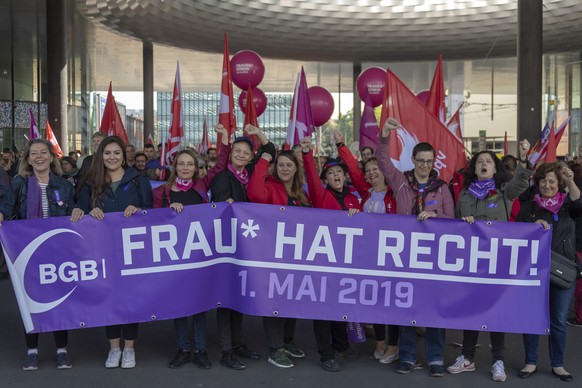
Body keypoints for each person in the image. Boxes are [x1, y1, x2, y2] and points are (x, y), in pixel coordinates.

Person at [447, 141, 532, 382]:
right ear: (474, 169)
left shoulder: (504, 190)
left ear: (495, 169)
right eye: (480, 162)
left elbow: (521, 182)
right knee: (471, 309)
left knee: (496, 311)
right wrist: (465, 223)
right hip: (472, 260)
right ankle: (467, 358)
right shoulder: (463, 194)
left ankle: (498, 361)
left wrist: (523, 159)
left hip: (498, 260)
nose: (484, 164)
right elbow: (454, 225)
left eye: (488, 162)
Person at [376, 118, 454, 378]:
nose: (424, 165)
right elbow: (382, 161)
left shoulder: (441, 189)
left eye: (429, 161)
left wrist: (434, 214)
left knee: (434, 310)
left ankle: (434, 359)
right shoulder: (400, 180)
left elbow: (452, 222)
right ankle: (407, 357)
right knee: (406, 308)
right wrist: (385, 134)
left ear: (434, 163)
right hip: (403, 255)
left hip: (433, 258)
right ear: (413, 159)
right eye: (420, 160)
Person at [153, 125, 230, 370]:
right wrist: (168, 213)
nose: (185, 168)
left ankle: (200, 350)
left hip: (199, 255)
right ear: (174, 168)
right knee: (179, 303)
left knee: (198, 305)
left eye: (190, 164)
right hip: (174, 257)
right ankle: (182, 349)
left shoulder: (201, 187)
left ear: (196, 168)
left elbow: (220, 165)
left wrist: (225, 140)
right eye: (181, 164)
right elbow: (152, 222)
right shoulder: (161, 193)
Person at [73, 136, 153, 369]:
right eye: (107, 153)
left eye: (116, 153)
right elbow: (81, 208)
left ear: (124, 155)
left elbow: (151, 212)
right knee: (109, 299)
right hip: (102, 252)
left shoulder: (138, 180)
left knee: (129, 300)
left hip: (131, 252)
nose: (112, 157)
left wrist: (139, 210)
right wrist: (85, 212)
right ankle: (114, 348)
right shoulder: (91, 182)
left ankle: (129, 349)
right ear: (100, 155)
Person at [0, 139, 76, 370]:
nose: (39, 156)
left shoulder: (65, 186)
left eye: (44, 152)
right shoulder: (20, 184)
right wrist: (1, 215)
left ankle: (61, 350)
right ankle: (32, 350)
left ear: (52, 158)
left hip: (58, 252)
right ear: (28, 158)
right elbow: (7, 208)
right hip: (28, 252)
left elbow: (73, 211)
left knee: (58, 302)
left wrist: (79, 211)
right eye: (34, 153)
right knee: (29, 302)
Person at [210, 124, 276, 370]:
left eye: (246, 152)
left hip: (247, 245)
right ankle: (226, 350)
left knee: (239, 295)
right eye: (236, 150)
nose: (241, 155)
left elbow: (270, 149)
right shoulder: (221, 177)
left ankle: (237, 344)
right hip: (227, 246)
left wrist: (257, 132)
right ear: (231, 153)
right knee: (226, 298)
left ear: (250, 157)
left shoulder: (250, 171)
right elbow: (217, 209)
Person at [334, 130, 399, 364]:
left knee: (392, 303)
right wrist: (341, 145)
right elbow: (352, 168)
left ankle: (393, 346)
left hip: (392, 257)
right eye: (368, 171)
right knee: (376, 301)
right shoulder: (365, 194)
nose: (371, 173)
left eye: (376, 169)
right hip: (370, 257)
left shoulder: (396, 195)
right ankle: (379, 341)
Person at [300, 135, 361, 373]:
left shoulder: (355, 197)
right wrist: (306, 154)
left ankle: (341, 344)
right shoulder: (321, 195)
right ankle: (326, 355)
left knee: (341, 304)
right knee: (323, 310)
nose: (336, 176)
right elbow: (311, 177)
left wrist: (342, 147)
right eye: (330, 173)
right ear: (325, 179)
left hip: (347, 261)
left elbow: (357, 172)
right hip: (324, 261)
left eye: (340, 172)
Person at [516, 162, 580, 383]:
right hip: (534, 272)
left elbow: (579, 202)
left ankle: (558, 365)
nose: (547, 184)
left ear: (559, 184)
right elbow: (518, 236)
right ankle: (530, 361)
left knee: (559, 320)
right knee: (532, 317)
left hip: (562, 272)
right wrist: (534, 226)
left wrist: (571, 180)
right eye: (543, 180)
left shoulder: (567, 206)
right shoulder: (529, 207)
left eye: (552, 181)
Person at [247, 149, 310, 369]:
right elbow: (254, 193)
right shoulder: (270, 187)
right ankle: (276, 349)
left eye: (289, 165)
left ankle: (287, 341)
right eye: (281, 165)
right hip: (272, 256)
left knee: (291, 300)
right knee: (275, 301)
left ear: (295, 169)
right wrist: (264, 161)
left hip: (295, 257)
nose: (285, 169)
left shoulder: (300, 193)